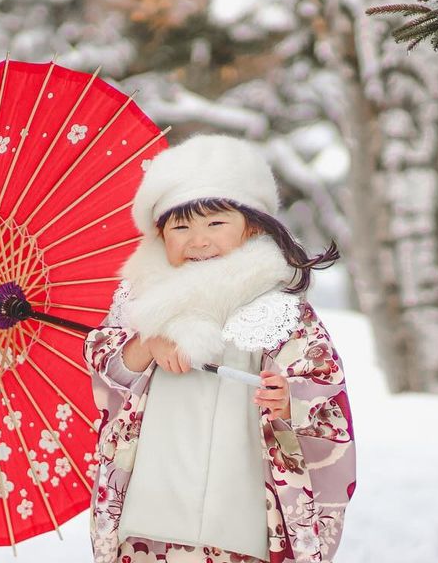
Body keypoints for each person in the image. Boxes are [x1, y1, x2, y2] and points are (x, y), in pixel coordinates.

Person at [84, 134, 356, 563]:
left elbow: (322, 382)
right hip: (151, 508)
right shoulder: (143, 300)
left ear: (252, 225)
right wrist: (148, 341)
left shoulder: (277, 305)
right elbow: (106, 371)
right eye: (180, 227)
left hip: (242, 513)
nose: (198, 241)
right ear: (159, 233)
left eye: (215, 224)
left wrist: (288, 398)